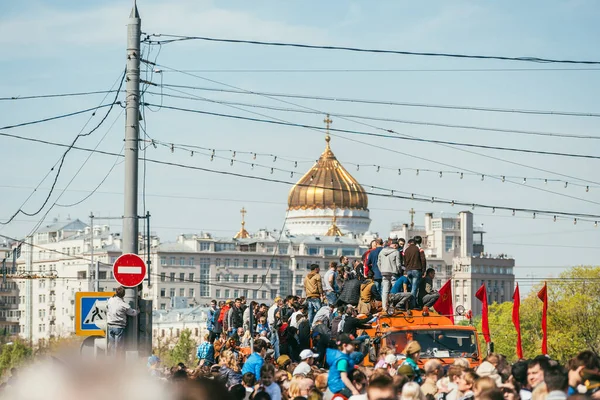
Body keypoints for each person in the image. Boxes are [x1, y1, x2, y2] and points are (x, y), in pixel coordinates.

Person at [326, 334, 361, 399]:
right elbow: (344, 377)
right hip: (339, 386)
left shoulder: (343, 356)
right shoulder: (342, 360)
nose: (355, 346)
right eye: (352, 344)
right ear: (345, 345)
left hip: (338, 385)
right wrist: (354, 390)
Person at [106, 286, 138, 355]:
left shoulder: (110, 300)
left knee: (112, 345)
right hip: (119, 327)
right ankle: (117, 361)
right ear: (123, 295)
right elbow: (133, 313)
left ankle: (111, 360)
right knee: (119, 347)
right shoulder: (124, 305)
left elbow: (107, 307)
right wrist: (138, 310)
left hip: (110, 326)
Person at [378, 239, 402, 314]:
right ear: (395, 245)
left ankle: (384, 307)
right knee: (394, 290)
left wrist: (381, 270)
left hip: (384, 272)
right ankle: (393, 306)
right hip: (393, 272)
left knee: (385, 290)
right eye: (397, 246)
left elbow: (378, 263)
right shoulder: (396, 252)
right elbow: (398, 264)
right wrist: (399, 271)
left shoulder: (381, 252)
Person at [403, 238, 426, 302]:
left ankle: (410, 301)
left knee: (412, 286)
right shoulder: (419, 249)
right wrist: (423, 270)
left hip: (408, 270)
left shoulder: (406, 250)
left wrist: (406, 269)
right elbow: (423, 260)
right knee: (414, 288)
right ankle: (412, 303)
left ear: (409, 243)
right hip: (416, 270)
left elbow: (404, 261)